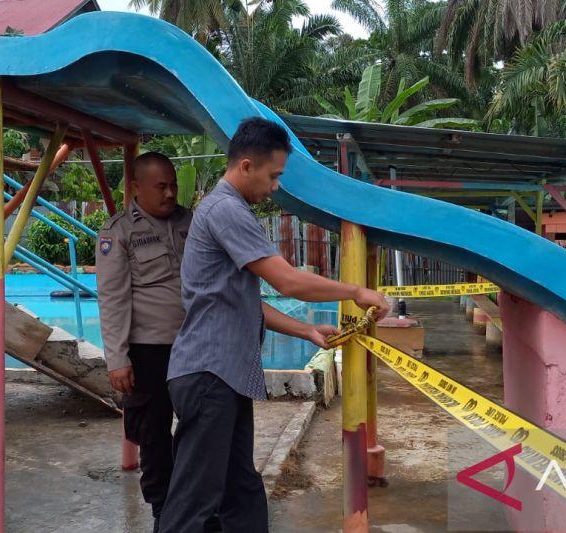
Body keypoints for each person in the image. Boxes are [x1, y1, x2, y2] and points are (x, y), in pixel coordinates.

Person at [160, 117, 389, 532]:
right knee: (195, 500)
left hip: (221, 376)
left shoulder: (224, 209)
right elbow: (287, 280)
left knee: (240, 488)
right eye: (273, 175)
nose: (276, 186)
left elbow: (245, 303)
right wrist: (356, 291)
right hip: (209, 375)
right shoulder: (227, 209)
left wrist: (306, 331)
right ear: (246, 166)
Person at [95, 152, 192, 531]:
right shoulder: (118, 232)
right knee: (153, 434)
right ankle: (163, 512)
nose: (170, 193)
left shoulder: (190, 222)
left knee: (198, 427)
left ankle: (195, 503)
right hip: (148, 351)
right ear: (136, 188)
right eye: (161, 186)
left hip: (193, 345)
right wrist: (117, 358)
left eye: (173, 185)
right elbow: (113, 297)